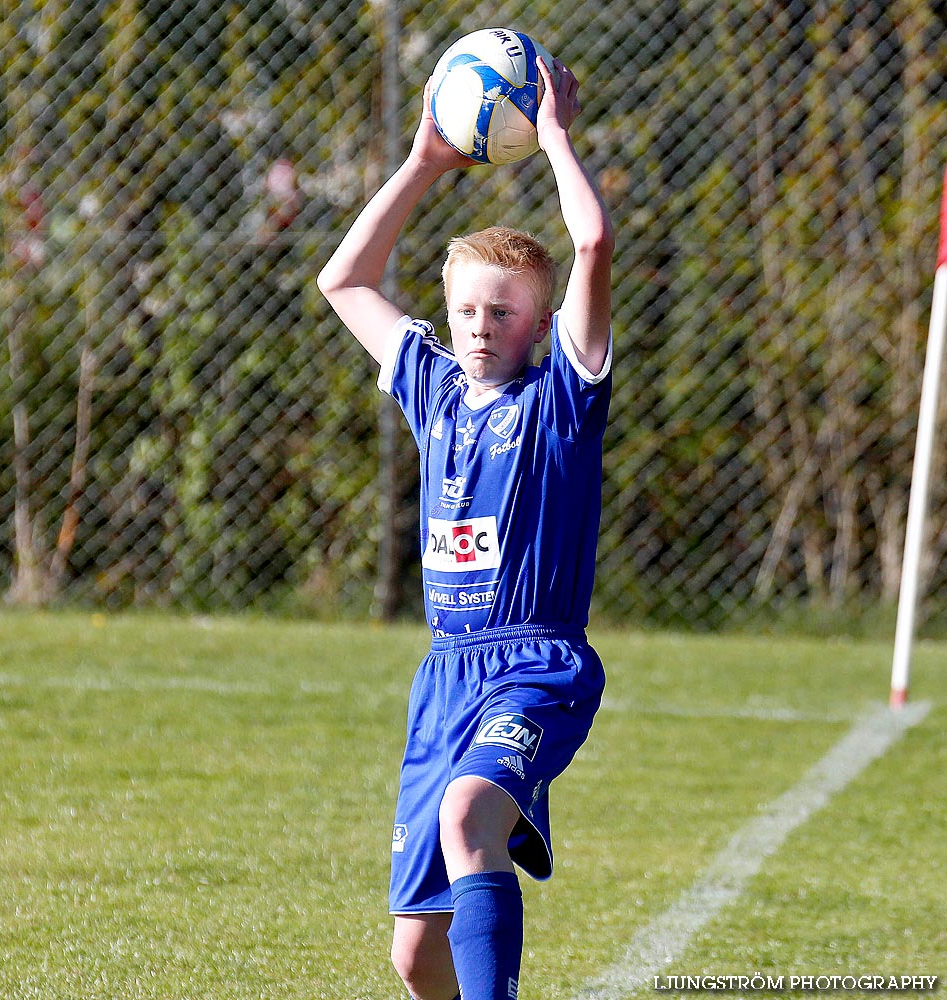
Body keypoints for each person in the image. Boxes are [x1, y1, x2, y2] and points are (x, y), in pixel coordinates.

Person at [317, 53, 614, 1000]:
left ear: (540, 325)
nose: (482, 325)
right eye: (467, 310)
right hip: (444, 675)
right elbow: (344, 279)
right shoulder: (434, 388)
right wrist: (423, 163)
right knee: (413, 955)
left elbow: (595, 244)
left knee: (469, 813)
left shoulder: (561, 398)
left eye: (505, 311)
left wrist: (557, 137)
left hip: (534, 665)